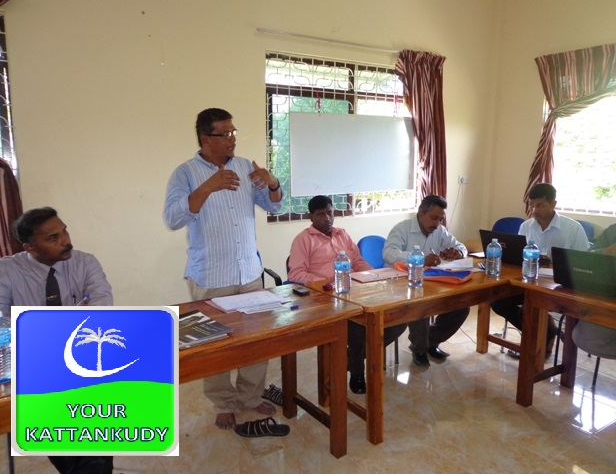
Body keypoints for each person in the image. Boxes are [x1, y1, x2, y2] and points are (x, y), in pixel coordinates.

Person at [163, 107, 283, 430]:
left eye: (233, 132)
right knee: (214, 344)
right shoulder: (185, 173)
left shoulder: (245, 167)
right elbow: (172, 219)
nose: (232, 139)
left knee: (256, 340)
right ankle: (223, 402)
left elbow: (274, 206)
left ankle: (250, 397)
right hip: (211, 275)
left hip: (249, 272)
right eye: (225, 134)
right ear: (206, 138)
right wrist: (207, 187)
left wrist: (272, 182)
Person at [0, 207, 113, 474]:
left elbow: (102, 303)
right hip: (32, 366)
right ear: (30, 247)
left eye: (64, 231)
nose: (66, 241)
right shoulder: (3, 271)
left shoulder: (85, 262)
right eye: (53, 238)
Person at [288, 195, 407, 394]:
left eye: (329, 213)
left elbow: (357, 261)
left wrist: (374, 276)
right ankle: (357, 375)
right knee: (357, 327)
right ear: (311, 216)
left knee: (397, 320)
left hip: (355, 290)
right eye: (320, 214)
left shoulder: (342, 234)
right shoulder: (303, 239)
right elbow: (296, 273)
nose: (327, 218)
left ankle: (351, 359)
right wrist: (325, 282)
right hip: (326, 297)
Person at [491, 183, 590, 357]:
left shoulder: (573, 229)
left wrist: (554, 264)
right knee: (497, 301)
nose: (535, 210)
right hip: (530, 282)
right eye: (532, 205)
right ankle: (548, 333)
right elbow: (518, 256)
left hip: (559, 287)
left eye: (540, 205)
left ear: (553, 204)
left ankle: (537, 343)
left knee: (530, 308)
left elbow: (584, 265)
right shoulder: (526, 226)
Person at [383, 194, 470, 367]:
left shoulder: (439, 231)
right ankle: (420, 349)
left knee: (461, 306)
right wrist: (420, 259)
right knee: (422, 305)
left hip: (430, 280)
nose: (437, 223)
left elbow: (461, 246)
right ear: (421, 213)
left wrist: (458, 252)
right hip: (401, 282)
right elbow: (389, 253)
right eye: (434, 218)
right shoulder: (402, 229)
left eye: (441, 219)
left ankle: (431, 341)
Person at [571, 222, 616, 358]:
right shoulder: (613, 231)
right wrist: (606, 251)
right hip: (609, 300)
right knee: (583, 336)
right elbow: (588, 256)